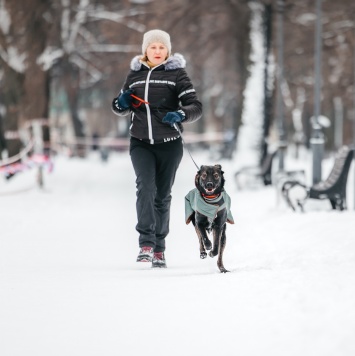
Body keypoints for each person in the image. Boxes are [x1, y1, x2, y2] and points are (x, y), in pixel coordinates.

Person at [112, 29, 202, 268]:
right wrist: (120, 103)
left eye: (162, 47)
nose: (158, 51)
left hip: (169, 145)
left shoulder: (177, 74)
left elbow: (195, 106)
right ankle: (146, 244)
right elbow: (120, 106)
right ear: (145, 50)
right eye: (153, 47)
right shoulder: (134, 75)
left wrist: (181, 113)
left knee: (162, 196)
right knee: (145, 187)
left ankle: (159, 249)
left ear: (168, 50)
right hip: (140, 143)